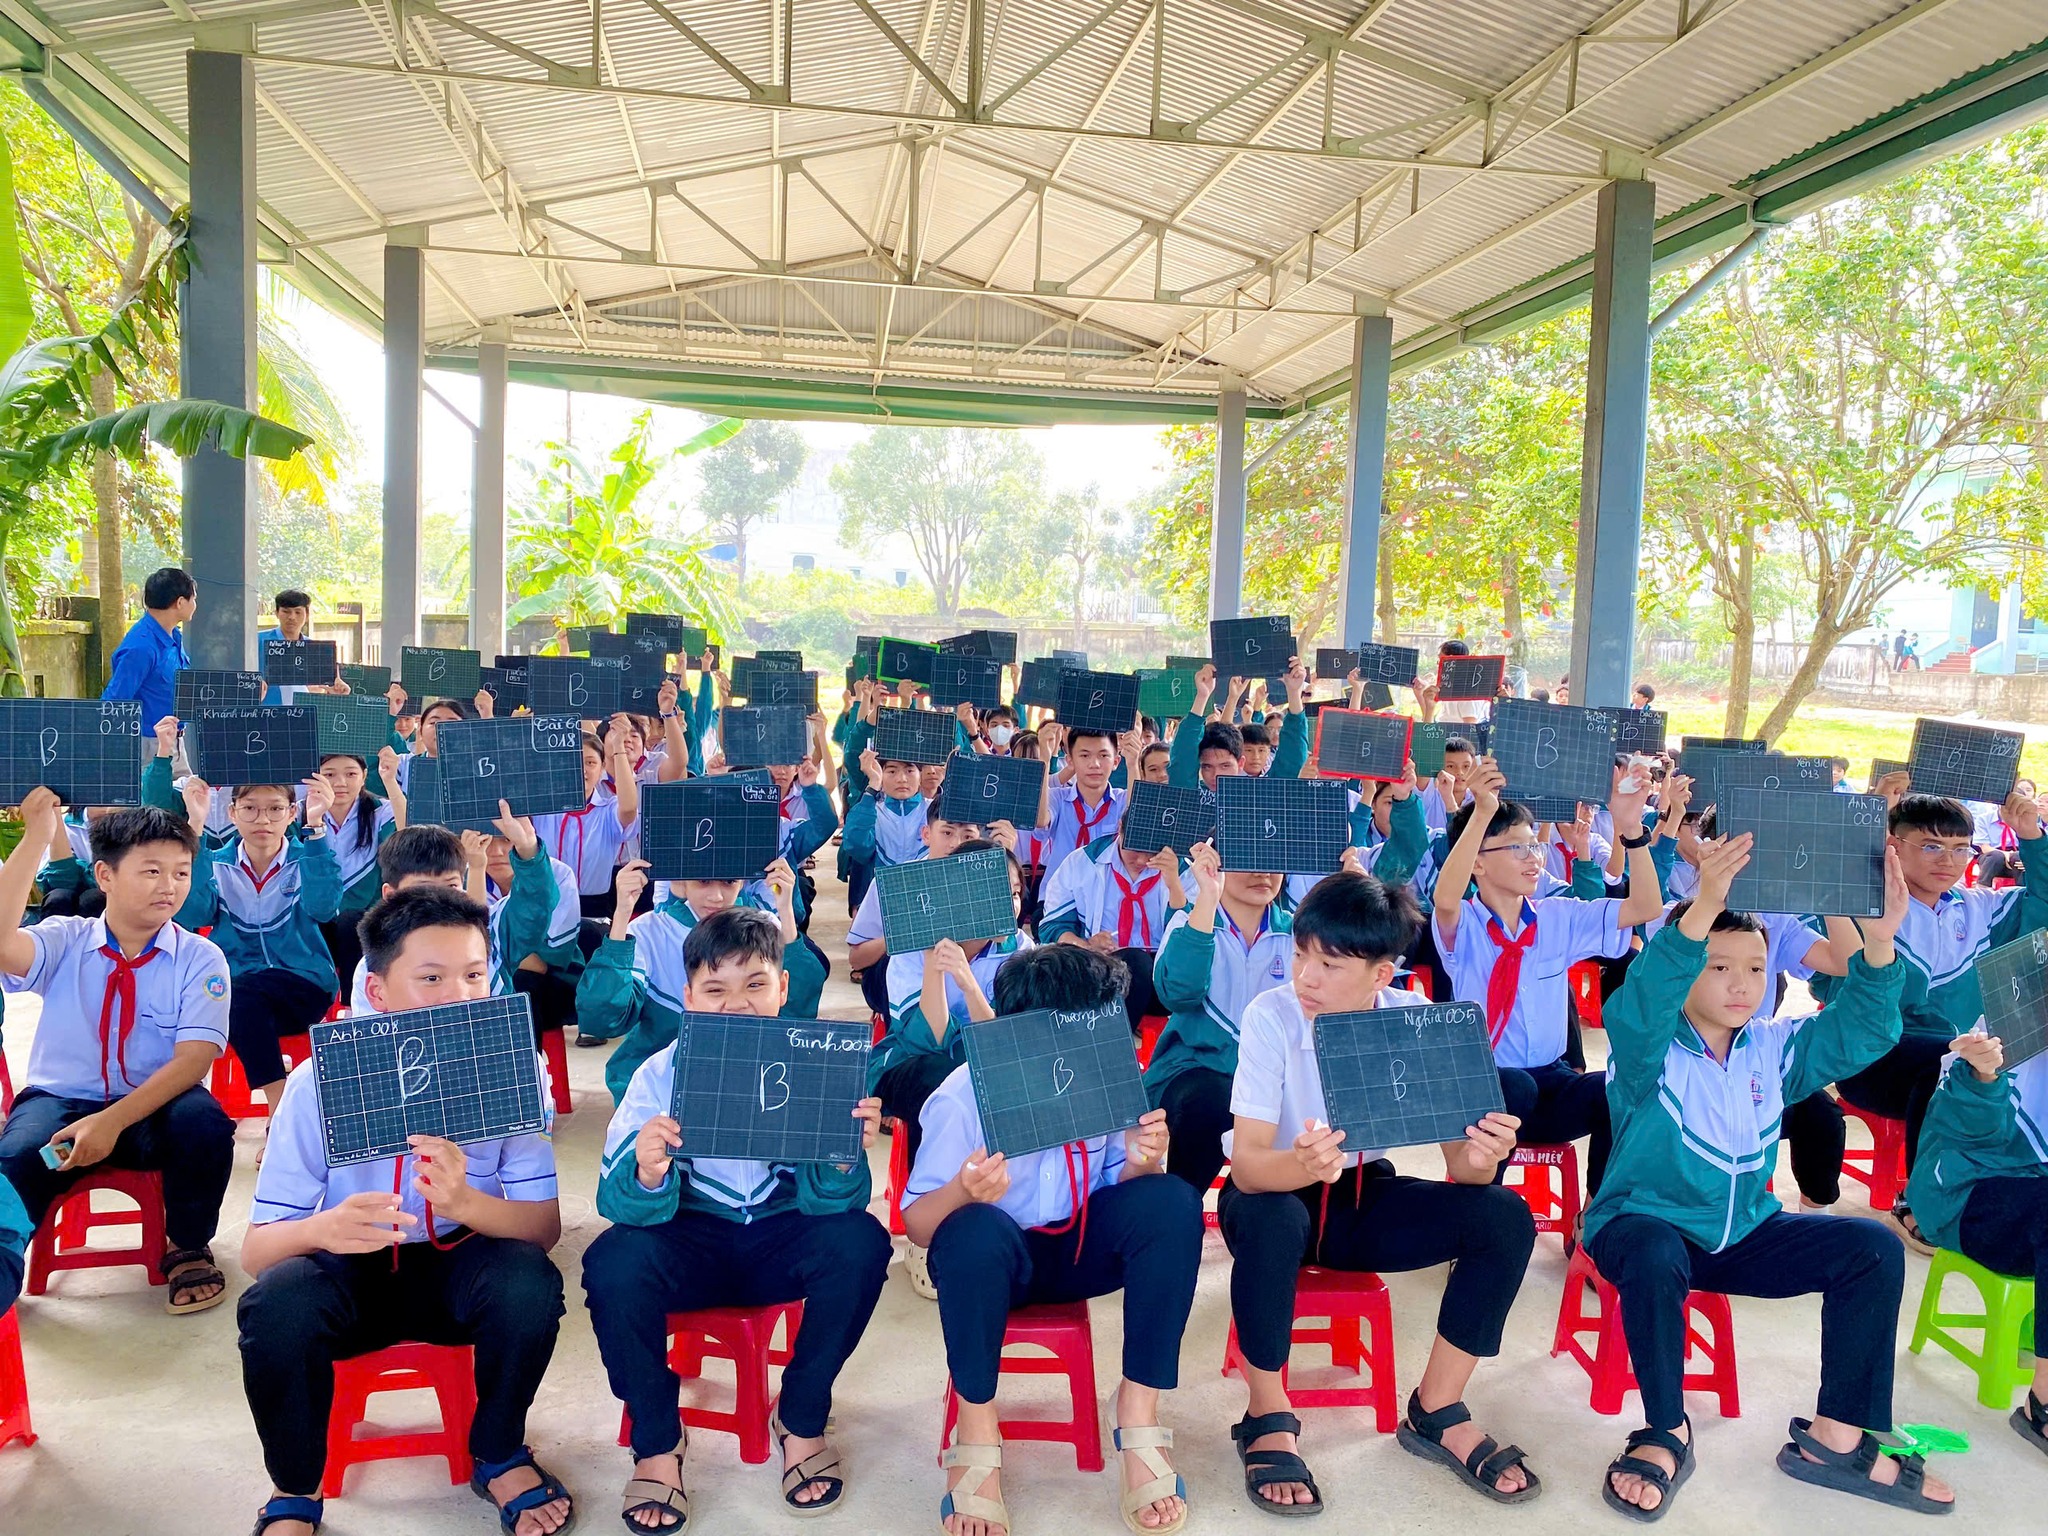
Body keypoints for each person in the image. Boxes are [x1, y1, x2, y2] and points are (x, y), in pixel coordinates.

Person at [1585, 834, 1955, 1519]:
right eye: (1719, 966)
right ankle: (1666, 1431)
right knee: (1655, 1250)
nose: (1741, 984)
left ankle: (1837, 1439)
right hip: (1644, 1228)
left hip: (1743, 1234)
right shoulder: (1647, 1050)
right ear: (1685, 968)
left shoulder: (1774, 1049)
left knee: (1872, 1248)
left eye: (1755, 968)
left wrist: (1879, 944)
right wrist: (1703, 906)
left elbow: (1866, 1029)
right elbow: (1643, 1000)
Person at [234, 888, 572, 1536]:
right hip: (349, 1272)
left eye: (474, 975)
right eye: (432, 978)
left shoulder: (511, 1070)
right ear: (378, 991)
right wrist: (322, 1228)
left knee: (528, 1283)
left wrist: (466, 1202)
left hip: (459, 1265)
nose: (460, 996)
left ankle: (499, 1452)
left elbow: (543, 1229)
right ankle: (296, 1487)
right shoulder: (317, 1082)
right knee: (277, 1305)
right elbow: (255, 1254)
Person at [1222, 871, 1538, 1513]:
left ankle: (1437, 1408)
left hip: (1363, 1197)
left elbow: (1466, 1172)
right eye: (1301, 955)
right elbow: (1249, 1167)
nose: (1306, 977)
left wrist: (1483, 1156)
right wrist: (1303, 1165)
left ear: (1382, 975)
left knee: (1504, 1216)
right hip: (1273, 1195)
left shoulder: (1415, 1023)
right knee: (1274, 1219)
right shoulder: (1270, 1016)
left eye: (1330, 964)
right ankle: (1267, 1413)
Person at [583, 907, 889, 1529]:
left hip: (781, 1235)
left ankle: (800, 1417)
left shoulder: (818, 1063)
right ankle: (657, 1439)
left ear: (783, 986)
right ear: (689, 997)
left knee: (861, 1242)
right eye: (714, 989)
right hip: (689, 1240)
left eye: (755, 984)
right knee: (612, 1263)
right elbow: (613, 1202)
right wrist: (647, 1169)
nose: (736, 1004)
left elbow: (841, 1202)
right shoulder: (657, 1074)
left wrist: (842, 1158)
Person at [905, 944, 1201, 1536]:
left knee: (1172, 1201)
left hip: (1080, 1247)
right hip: (995, 1268)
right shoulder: (964, 1094)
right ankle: (976, 1427)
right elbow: (918, 1225)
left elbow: (1122, 1189)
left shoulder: (1108, 1083)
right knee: (971, 1230)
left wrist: (1144, 1160)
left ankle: (1138, 1411)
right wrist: (963, 1190)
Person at [0, 795, 235, 1314]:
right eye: (151, 871)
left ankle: (187, 1245)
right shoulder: (64, 939)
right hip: (60, 1107)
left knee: (204, 1125)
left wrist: (110, 1123)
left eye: (180, 872)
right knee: (19, 1155)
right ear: (104, 875)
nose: (169, 886)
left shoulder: (200, 958)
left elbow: (194, 1060)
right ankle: (6, 1260)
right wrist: (37, 836)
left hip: (154, 1110)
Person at [1827, 785, 2048, 1249]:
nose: (1948, 860)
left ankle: (1999, 1180)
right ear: (1893, 844)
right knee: (1948, 1062)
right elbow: (1835, 981)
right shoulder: (1858, 905)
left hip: (1961, 1053)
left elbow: (2042, 906)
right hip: (1869, 1059)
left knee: (2001, 1062)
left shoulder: (1980, 907)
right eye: (1931, 846)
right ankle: (1922, 1199)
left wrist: (2031, 836)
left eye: (1960, 848)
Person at [1431, 758, 1663, 1191]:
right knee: (1514, 1086)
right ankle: (1484, 1202)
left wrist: (1632, 830)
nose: (1533, 857)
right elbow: (1445, 897)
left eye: (1533, 846)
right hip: (1486, 1088)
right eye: (1516, 848)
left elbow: (1646, 907)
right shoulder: (1463, 926)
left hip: (1550, 1082)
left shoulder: (1557, 917)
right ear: (1477, 863)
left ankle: (1594, 1211)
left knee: (1621, 1088)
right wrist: (1481, 813)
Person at [874, 841, 1033, 1295]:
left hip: (987, 1062)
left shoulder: (1022, 949)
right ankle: (928, 1228)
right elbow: (928, 1039)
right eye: (995, 891)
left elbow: (1008, 1045)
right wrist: (934, 965)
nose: (1009, 903)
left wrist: (967, 981)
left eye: (1015, 892)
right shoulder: (911, 948)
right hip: (912, 1064)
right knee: (938, 1079)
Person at [152, 757, 343, 1119]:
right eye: (250, 809)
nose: (263, 820)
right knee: (233, 996)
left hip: (303, 986)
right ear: (233, 813)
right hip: (238, 994)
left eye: (275, 809)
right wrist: (195, 825)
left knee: (234, 995)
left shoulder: (307, 858)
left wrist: (317, 826)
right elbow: (193, 914)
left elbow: (323, 909)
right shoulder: (216, 862)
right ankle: (282, 1107)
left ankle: (278, 1107)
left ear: (292, 813)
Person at [1906, 1026, 2048, 1457]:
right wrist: (1984, 1077)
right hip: (1965, 1190)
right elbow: (1971, 1135)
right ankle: (2043, 1401)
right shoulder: (2003, 1028)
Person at [580, 854, 812, 1102]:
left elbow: (797, 1012)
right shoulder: (648, 932)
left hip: (753, 1074)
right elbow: (603, 1019)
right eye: (703, 881)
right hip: (662, 1084)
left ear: (743, 882)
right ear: (680, 881)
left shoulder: (763, 926)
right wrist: (622, 915)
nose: (717, 896)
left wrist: (786, 911)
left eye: (729, 881)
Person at [1147, 838, 1292, 1199]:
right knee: (1211, 1100)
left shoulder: (1299, 933)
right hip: (1194, 1071)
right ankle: (1181, 1204)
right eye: (1247, 858)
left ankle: (1247, 1201)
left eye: (1273, 860)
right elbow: (1177, 994)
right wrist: (1207, 898)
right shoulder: (1189, 922)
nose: (1262, 873)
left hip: (1276, 1076)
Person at [1038, 822, 1186, 1026]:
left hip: (1165, 977)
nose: (1142, 860)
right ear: (1120, 828)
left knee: (1140, 964)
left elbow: (1191, 937)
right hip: (1101, 969)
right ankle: (1114, 1037)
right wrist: (1086, 946)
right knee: (1133, 964)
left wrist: (1174, 885)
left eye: (1153, 852)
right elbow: (1053, 926)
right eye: (1135, 849)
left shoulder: (1183, 869)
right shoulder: (1083, 861)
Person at [314, 747, 405, 988]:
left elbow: (407, 831)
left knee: (351, 923)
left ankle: (350, 1000)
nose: (340, 783)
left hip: (364, 916)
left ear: (364, 776)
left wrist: (390, 781)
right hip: (317, 914)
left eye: (351, 774)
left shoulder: (380, 810)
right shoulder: (303, 811)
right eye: (329, 774)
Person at [530, 731, 641, 923]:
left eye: (590, 762)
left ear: (602, 767)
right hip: (546, 912)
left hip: (594, 914)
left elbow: (629, 808)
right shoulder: (541, 809)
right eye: (571, 761)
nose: (581, 769)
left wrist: (619, 749)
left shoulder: (608, 811)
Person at [102, 566, 196, 740]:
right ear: (180, 602)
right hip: (148, 743)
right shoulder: (141, 647)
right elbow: (113, 702)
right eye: (193, 599)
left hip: (174, 740)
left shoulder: (174, 636)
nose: (195, 605)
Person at [258, 590, 320, 705]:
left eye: (298, 612)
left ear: (307, 615)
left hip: (302, 711)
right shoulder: (257, 641)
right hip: (265, 711)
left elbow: (323, 687)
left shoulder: (315, 649)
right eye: (286, 611)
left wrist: (334, 690)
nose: (292, 617)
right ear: (277, 613)